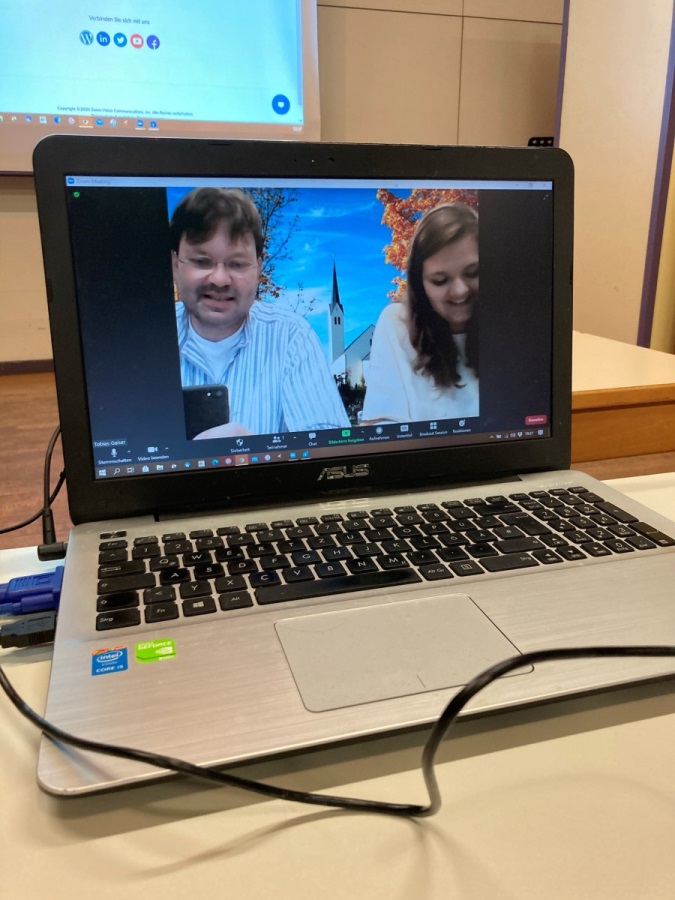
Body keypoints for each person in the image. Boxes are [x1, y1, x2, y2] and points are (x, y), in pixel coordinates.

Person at [170, 187, 349, 438]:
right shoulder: (144, 339)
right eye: (202, 261)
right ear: (175, 266)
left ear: (258, 270)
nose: (220, 279)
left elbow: (331, 442)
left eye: (237, 264)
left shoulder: (291, 336)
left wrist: (255, 451)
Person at [361, 202, 479, 424]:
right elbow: (380, 426)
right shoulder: (396, 323)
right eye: (440, 280)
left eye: (473, 273)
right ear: (419, 284)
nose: (460, 290)